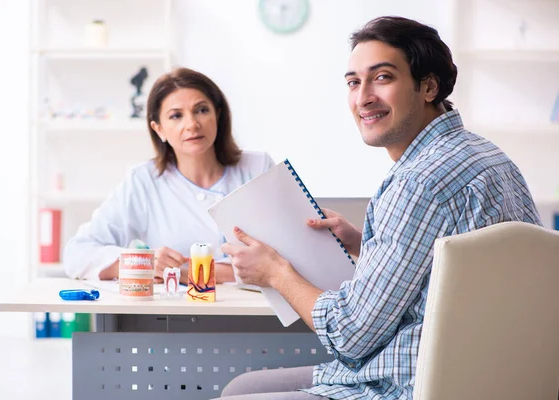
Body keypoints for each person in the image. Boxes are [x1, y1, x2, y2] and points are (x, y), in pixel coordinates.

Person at [218, 16, 542, 400]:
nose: (363, 97)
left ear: (428, 86)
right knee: (244, 387)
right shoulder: (489, 156)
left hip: (408, 384)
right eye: (354, 82)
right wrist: (362, 244)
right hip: (489, 377)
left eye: (383, 77)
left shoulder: (417, 181)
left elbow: (351, 334)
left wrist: (276, 274)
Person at [64, 67, 274, 282]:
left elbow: (291, 255)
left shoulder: (258, 168)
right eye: (176, 116)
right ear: (159, 129)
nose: (192, 124)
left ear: (218, 115)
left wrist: (186, 273)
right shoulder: (144, 180)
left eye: (201, 110)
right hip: (178, 313)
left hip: (257, 311)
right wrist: (142, 262)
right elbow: (77, 255)